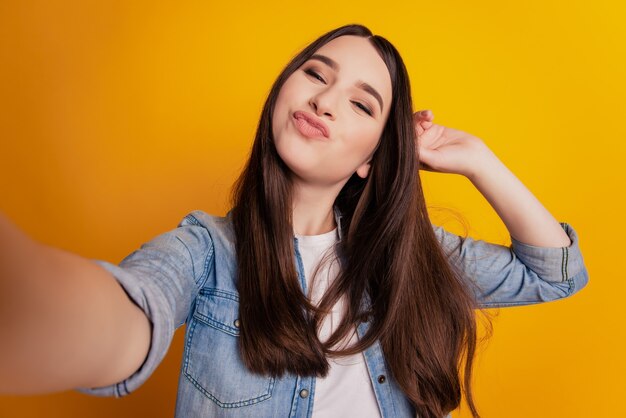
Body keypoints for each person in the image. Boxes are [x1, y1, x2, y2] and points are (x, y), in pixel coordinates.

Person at [0, 24, 589, 418]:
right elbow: (129, 313)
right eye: (315, 74)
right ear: (282, 90)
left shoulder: (406, 256)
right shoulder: (208, 250)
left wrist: (474, 157)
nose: (325, 100)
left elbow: (557, 273)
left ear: (371, 159)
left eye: (362, 103)